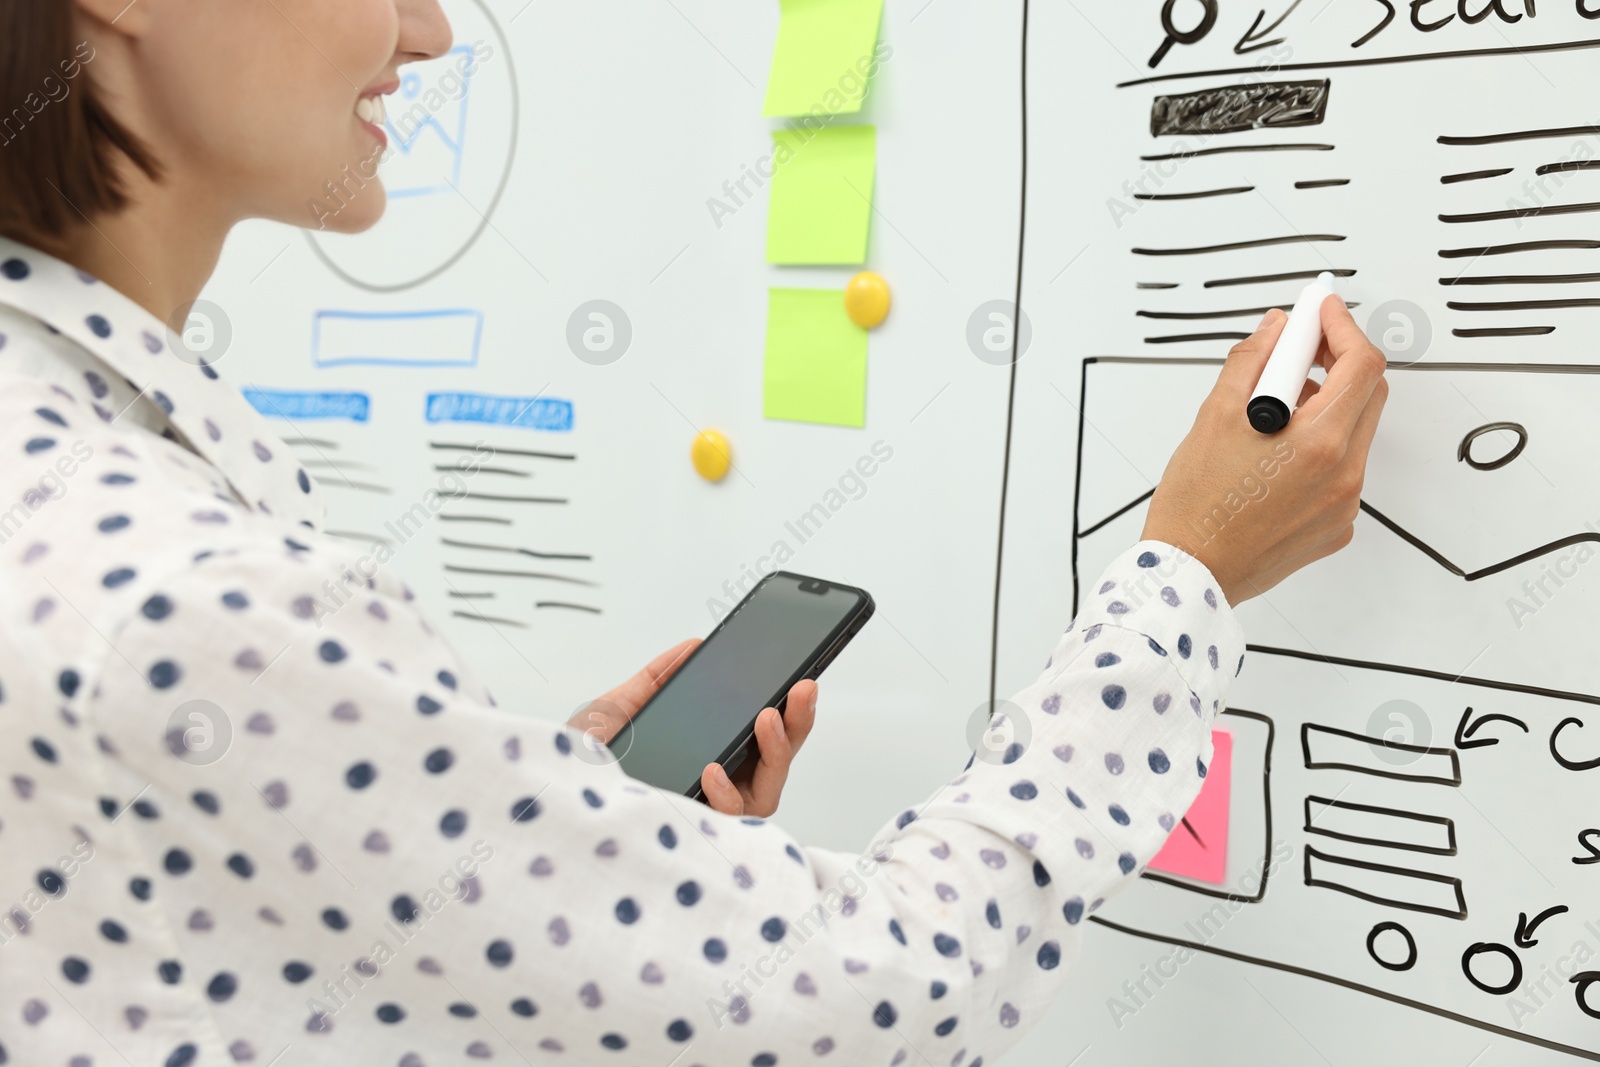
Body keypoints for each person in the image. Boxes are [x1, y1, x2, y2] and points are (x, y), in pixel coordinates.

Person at [0, 1, 1388, 1065]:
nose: (427, 32)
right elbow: (881, 998)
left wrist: (519, 833)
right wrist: (1188, 578)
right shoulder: (186, 606)